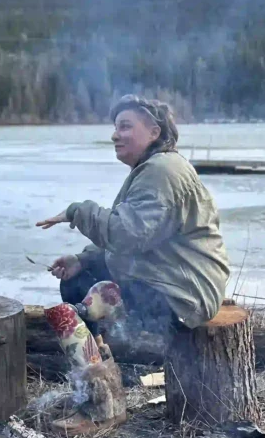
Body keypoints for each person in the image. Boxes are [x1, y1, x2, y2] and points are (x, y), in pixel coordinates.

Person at [36, 95, 229, 337]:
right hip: (173, 282)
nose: (115, 135)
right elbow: (142, 238)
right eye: (115, 128)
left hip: (183, 297)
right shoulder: (157, 167)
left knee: (86, 287)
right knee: (79, 277)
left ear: (154, 133)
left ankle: (124, 363)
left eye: (125, 126)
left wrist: (77, 211)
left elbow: (127, 235)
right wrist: (83, 260)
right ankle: (99, 361)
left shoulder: (161, 171)